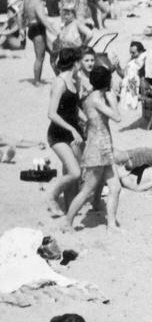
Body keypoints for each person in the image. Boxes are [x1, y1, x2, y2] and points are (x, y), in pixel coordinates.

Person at [63, 62, 121, 230]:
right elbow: (117, 117)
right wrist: (113, 100)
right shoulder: (96, 99)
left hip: (104, 148)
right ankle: (67, 223)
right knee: (87, 190)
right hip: (97, 150)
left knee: (115, 188)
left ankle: (111, 225)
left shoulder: (95, 97)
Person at [45, 47, 84, 216]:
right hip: (57, 135)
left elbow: (72, 108)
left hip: (72, 133)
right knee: (75, 173)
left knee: (72, 171)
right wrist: (72, 129)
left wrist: (85, 118)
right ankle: (52, 197)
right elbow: (51, 113)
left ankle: (69, 209)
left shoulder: (74, 81)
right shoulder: (59, 82)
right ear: (75, 63)